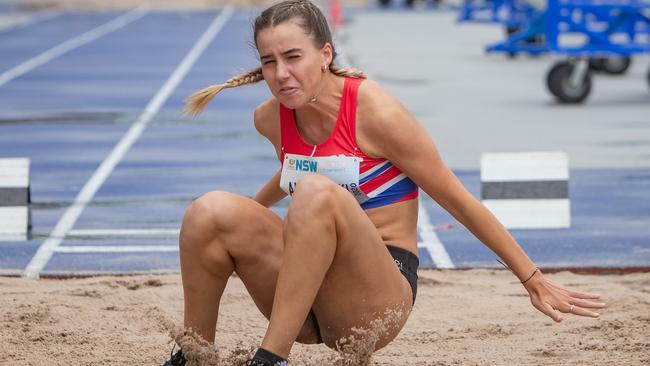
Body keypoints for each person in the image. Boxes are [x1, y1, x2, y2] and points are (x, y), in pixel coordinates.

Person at [162, 1, 606, 365]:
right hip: (304, 298)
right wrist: (244, 224)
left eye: (293, 57)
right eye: (269, 61)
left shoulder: (377, 112)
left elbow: (457, 199)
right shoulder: (270, 119)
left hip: (374, 301)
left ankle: (270, 360)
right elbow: (299, 166)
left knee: (317, 193)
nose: (281, 74)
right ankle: (195, 353)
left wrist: (532, 278)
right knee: (210, 210)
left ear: (326, 54)